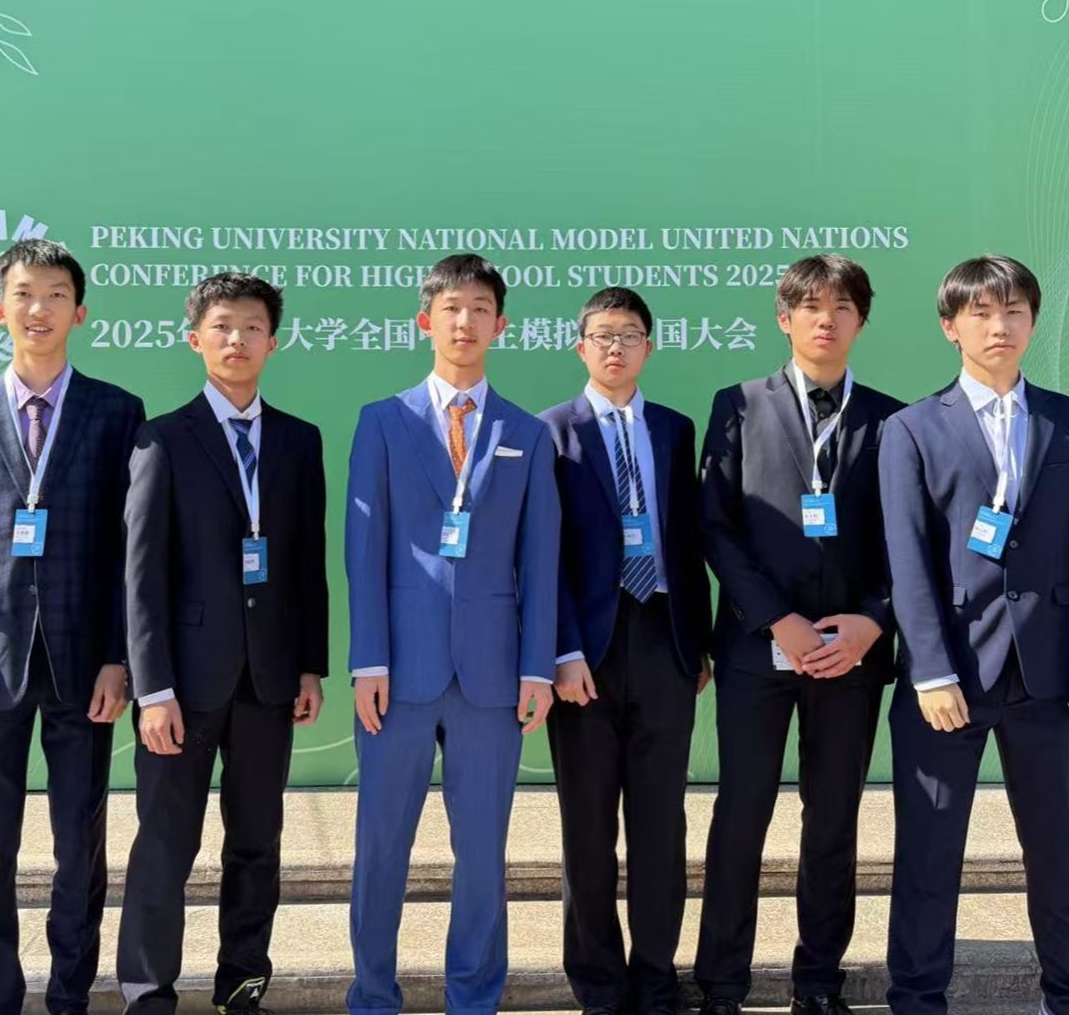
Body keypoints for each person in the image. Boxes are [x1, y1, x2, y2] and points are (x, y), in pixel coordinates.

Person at [879, 255, 1069, 1015]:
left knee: (1059, 854)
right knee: (929, 854)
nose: (1000, 326)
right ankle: (917, 999)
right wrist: (929, 671)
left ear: (1032, 322)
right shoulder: (911, 428)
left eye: (1014, 311)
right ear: (950, 327)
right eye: (982, 313)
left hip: (1051, 676)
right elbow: (907, 560)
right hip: (948, 679)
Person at [0, 238, 143, 1015]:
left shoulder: (117, 413)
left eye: (55, 294)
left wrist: (119, 658)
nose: (38, 308)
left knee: (80, 841)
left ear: (80, 313)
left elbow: (129, 550)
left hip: (86, 666)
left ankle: (69, 996)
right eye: (24, 293)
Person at [344, 253, 561, 1015]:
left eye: (479, 309)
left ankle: (474, 995)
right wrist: (367, 659)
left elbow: (540, 559)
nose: (464, 322)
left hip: (493, 677)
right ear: (424, 321)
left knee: (482, 853)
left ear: (501, 326)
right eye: (451, 308)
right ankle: (373, 994)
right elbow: (364, 549)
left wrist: (537, 668)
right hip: (398, 673)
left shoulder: (526, 433)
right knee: (381, 845)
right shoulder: (383, 422)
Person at [688, 255, 902, 1015]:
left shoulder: (892, 419)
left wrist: (873, 620)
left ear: (861, 321)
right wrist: (775, 616)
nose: (826, 320)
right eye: (811, 307)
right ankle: (721, 984)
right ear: (784, 318)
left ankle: (818, 982)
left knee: (834, 818)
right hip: (757, 648)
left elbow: (910, 540)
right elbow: (715, 526)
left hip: (850, 656)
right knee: (741, 814)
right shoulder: (738, 405)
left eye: (842, 307)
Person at [116, 272, 329, 1015]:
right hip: (183, 683)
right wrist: (153, 689)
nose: (237, 340)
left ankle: (242, 984)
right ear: (195, 339)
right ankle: (148, 992)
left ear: (274, 341)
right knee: (165, 844)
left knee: (256, 843)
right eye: (222, 327)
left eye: (252, 327)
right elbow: (140, 574)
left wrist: (310, 665)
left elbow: (306, 563)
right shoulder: (163, 438)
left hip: (270, 679)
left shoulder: (299, 440)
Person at [539, 287, 712, 1015]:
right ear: (580, 347)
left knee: (660, 825)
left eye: (631, 334)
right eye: (603, 335)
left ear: (650, 346)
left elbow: (689, 540)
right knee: (587, 826)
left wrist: (696, 643)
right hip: (587, 653)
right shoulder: (551, 432)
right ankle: (599, 983)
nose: (617, 347)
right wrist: (561, 650)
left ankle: (656, 976)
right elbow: (541, 557)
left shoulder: (674, 428)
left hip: (664, 639)